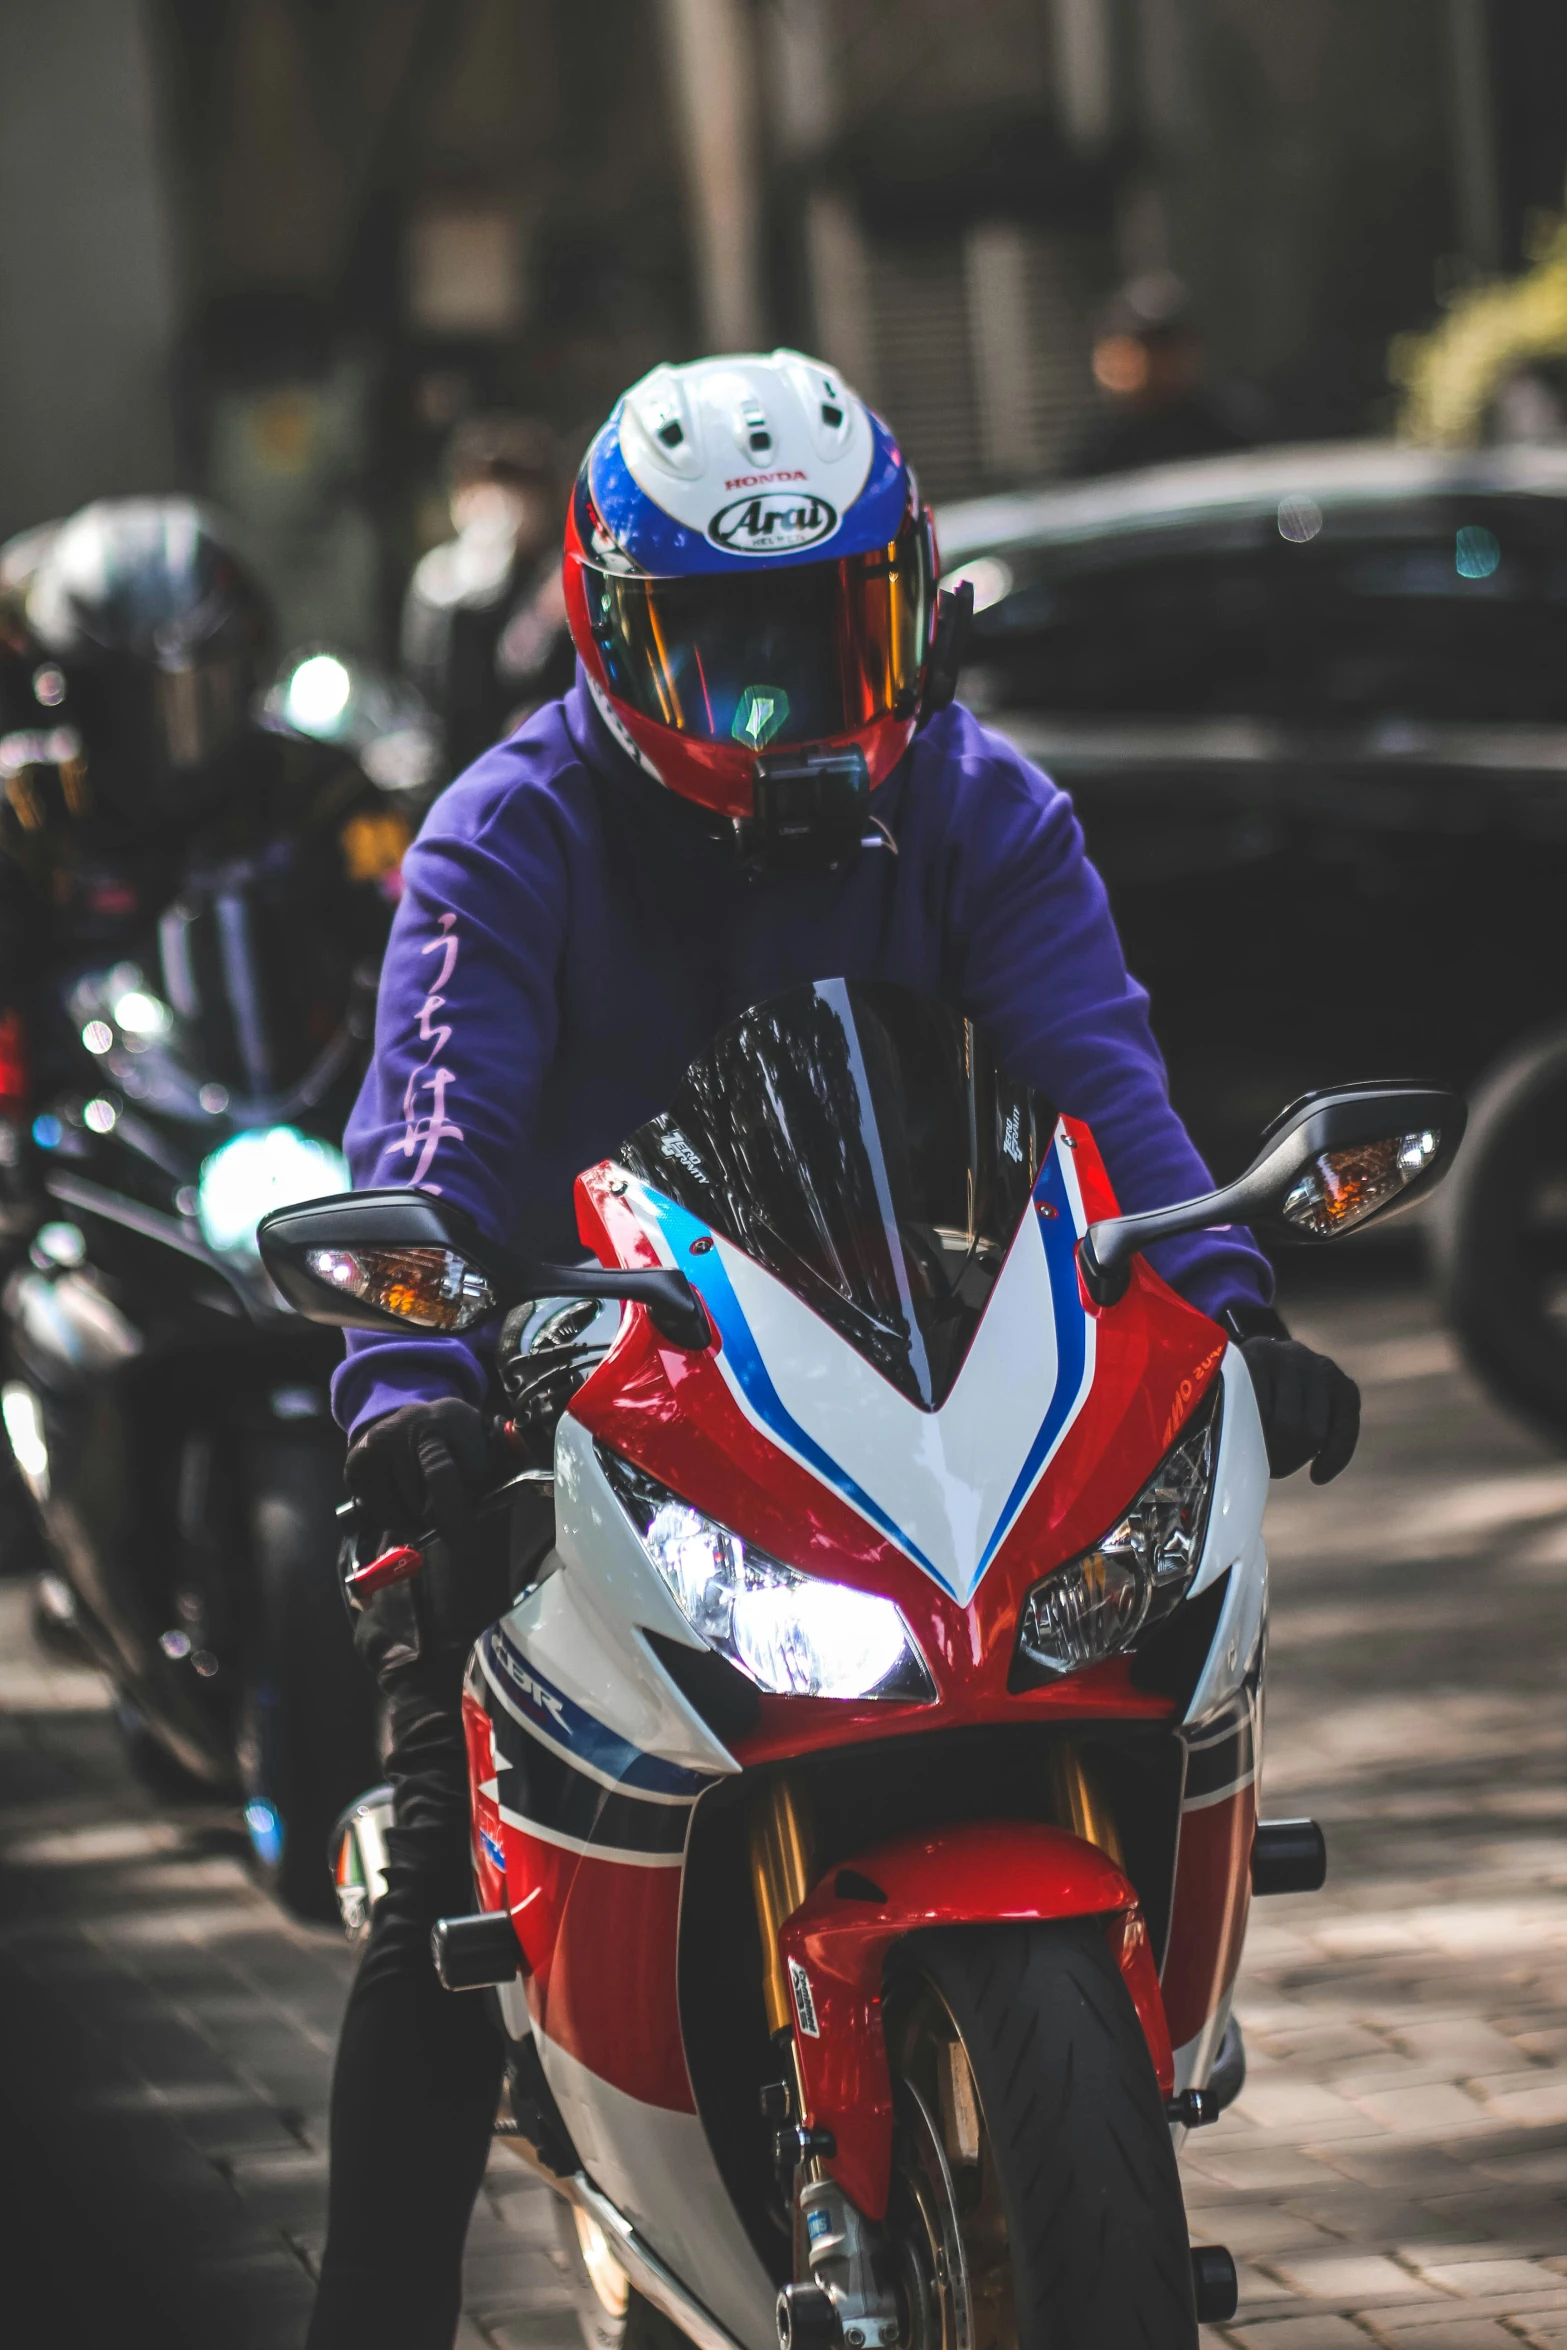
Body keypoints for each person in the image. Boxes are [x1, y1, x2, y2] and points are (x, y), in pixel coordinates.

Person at [310, 349, 1360, 2348]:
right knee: (434, 1903)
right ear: (618, 635)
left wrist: (1235, 1307)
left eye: (835, 631)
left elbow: (1105, 1084)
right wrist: (414, 1402)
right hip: (593, 1412)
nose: (788, 694)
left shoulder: (981, 804)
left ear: (915, 601)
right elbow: (427, 1142)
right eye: (732, 647)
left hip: (944, 1406)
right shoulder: (500, 836)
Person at [401, 414, 576, 777]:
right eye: (480, 484)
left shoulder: (563, 580)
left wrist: (543, 617)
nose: (496, 501)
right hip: (451, 764)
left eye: (514, 483)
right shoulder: (439, 578)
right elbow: (424, 685)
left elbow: (529, 673)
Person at [1064, 271, 1253, 479]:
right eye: (1137, 348)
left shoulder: (1229, 428)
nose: (1150, 362)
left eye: (1163, 347)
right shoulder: (1099, 453)